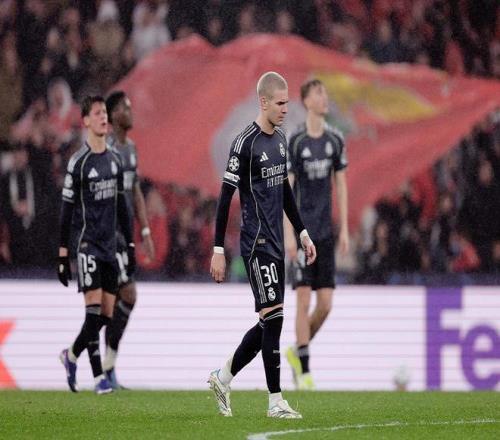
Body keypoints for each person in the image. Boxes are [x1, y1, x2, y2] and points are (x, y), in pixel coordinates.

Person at [208, 71, 316, 419]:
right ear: (263, 101)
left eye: (287, 102)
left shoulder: (281, 140)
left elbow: (285, 192)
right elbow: (224, 198)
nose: (285, 109)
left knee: (269, 322)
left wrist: (302, 232)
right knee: (275, 318)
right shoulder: (244, 143)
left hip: (277, 243)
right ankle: (275, 402)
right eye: (280, 103)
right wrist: (218, 250)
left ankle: (223, 377)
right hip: (256, 243)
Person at [57, 95, 136, 394]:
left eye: (105, 113)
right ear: (86, 121)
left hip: (110, 249)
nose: (104, 117)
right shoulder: (79, 163)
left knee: (104, 316)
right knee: (92, 314)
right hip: (88, 245)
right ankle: (99, 378)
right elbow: (66, 211)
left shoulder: (115, 161)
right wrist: (63, 254)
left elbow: (123, 207)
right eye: (97, 113)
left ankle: (70, 355)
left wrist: (130, 245)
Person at [284, 78, 349, 390]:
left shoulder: (335, 140)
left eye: (325, 93)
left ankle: (297, 351)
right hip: (302, 234)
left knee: (325, 305)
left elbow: (341, 185)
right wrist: (288, 235)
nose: (325, 98)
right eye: (319, 93)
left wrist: (345, 228)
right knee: (303, 299)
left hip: (324, 234)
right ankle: (305, 372)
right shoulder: (296, 142)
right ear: (307, 101)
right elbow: (286, 190)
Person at [102, 90, 155, 389]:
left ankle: (106, 370)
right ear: (112, 116)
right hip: (107, 235)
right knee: (125, 296)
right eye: (124, 107)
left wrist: (145, 231)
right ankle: (103, 367)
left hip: (124, 235)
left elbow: (135, 192)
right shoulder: (105, 149)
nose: (130, 111)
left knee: (115, 302)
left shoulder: (131, 149)